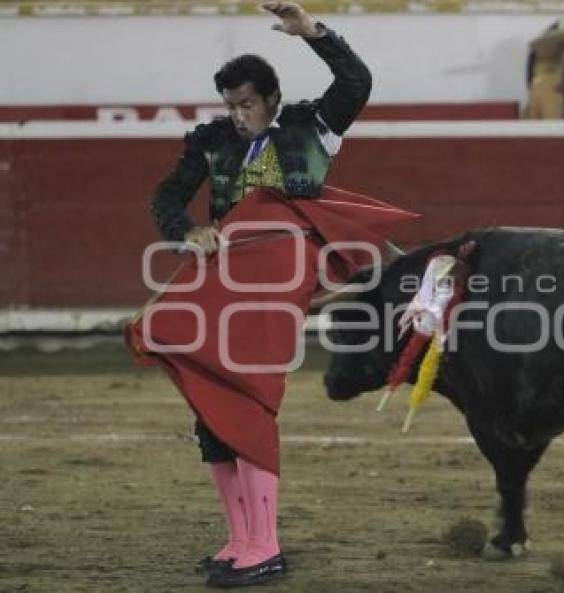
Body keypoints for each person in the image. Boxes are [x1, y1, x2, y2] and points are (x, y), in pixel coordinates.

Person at [127, 2, 417, 587]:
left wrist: (313, 33)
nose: (237, 116)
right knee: (211, 405)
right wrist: (187, 232)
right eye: (230, 105)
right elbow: (165, 197)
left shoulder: (315, 126)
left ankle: (266, 545)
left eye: (247, 104)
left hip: (279, 278)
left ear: (271, 97)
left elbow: (357, 80)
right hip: (227, 276)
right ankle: (239, 539)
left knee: (248, 393)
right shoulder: (211, 141)